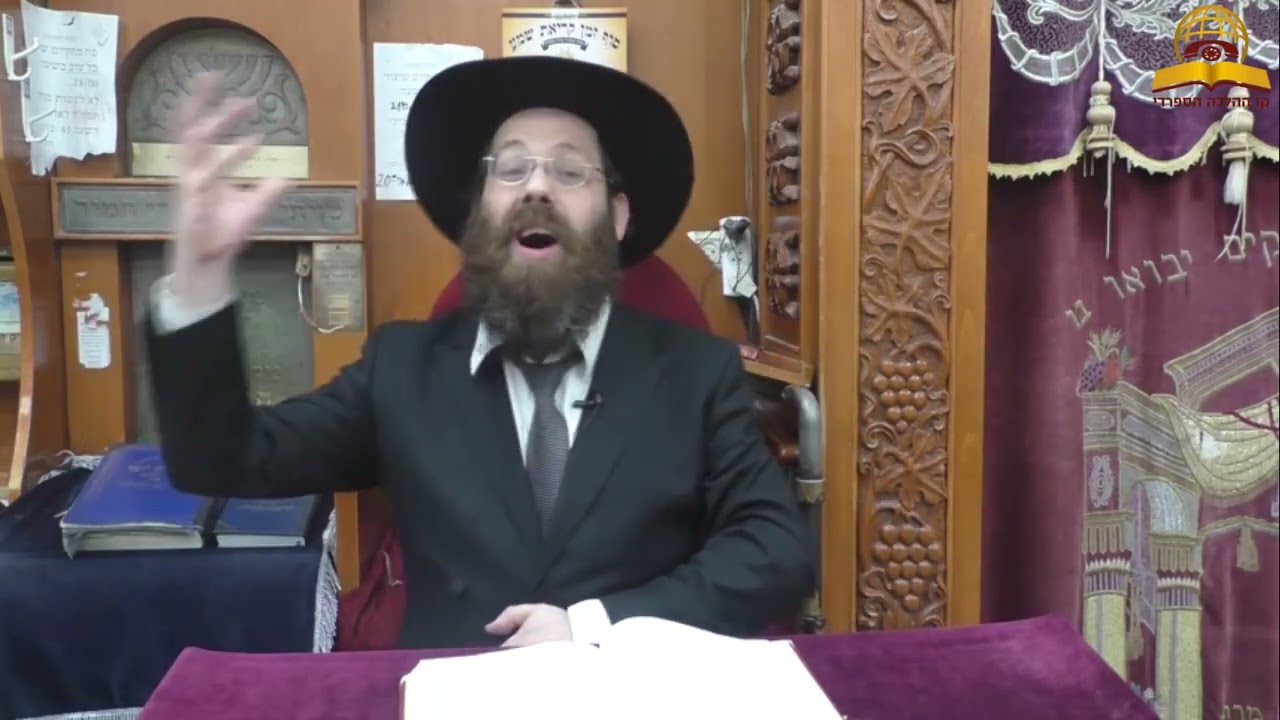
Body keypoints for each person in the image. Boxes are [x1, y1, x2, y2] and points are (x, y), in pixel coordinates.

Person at [143, 56, 813, 650]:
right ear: (478, 213)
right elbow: (223, 458)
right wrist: (199, 275)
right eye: (511, 168)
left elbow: (777, 551)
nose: (537, 187)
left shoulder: (696, 371)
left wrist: (596, 625)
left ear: (616, 218)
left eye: (570, 170)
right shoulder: (401, 368)